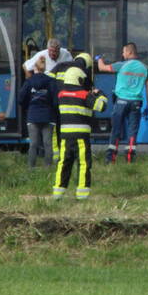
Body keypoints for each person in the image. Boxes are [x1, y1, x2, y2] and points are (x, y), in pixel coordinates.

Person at [52, 66, 107, 200]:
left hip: (65, 136)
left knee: (63, 162)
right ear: (78, 79)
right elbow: (101, 106)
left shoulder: (61, 95)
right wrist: (100, 94)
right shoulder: (84, 95)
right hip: (81, 136)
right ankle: (82, 194)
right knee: (83, 163)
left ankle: (58, 193)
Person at [97, 42, 148, 164]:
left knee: (116, 129)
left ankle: (111, 159)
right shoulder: (145, 68)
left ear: (130, 52)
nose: (122, 54)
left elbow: (102, 68)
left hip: (121, 101)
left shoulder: (121, 65)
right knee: (133, 131)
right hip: (136, 102)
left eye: (124, 52)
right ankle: (129, 158)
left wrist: (98, 59)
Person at [18, 56, 57, 167]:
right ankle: (48, 167)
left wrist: (28, 107)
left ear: (35, 68)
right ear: (45, 68)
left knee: (33, 144)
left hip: (33, 115)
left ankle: (31, 167)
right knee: (48, 144)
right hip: (48, 116)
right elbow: (55, 100)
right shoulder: (51, 81)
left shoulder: (29, 82)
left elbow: (21, 98)